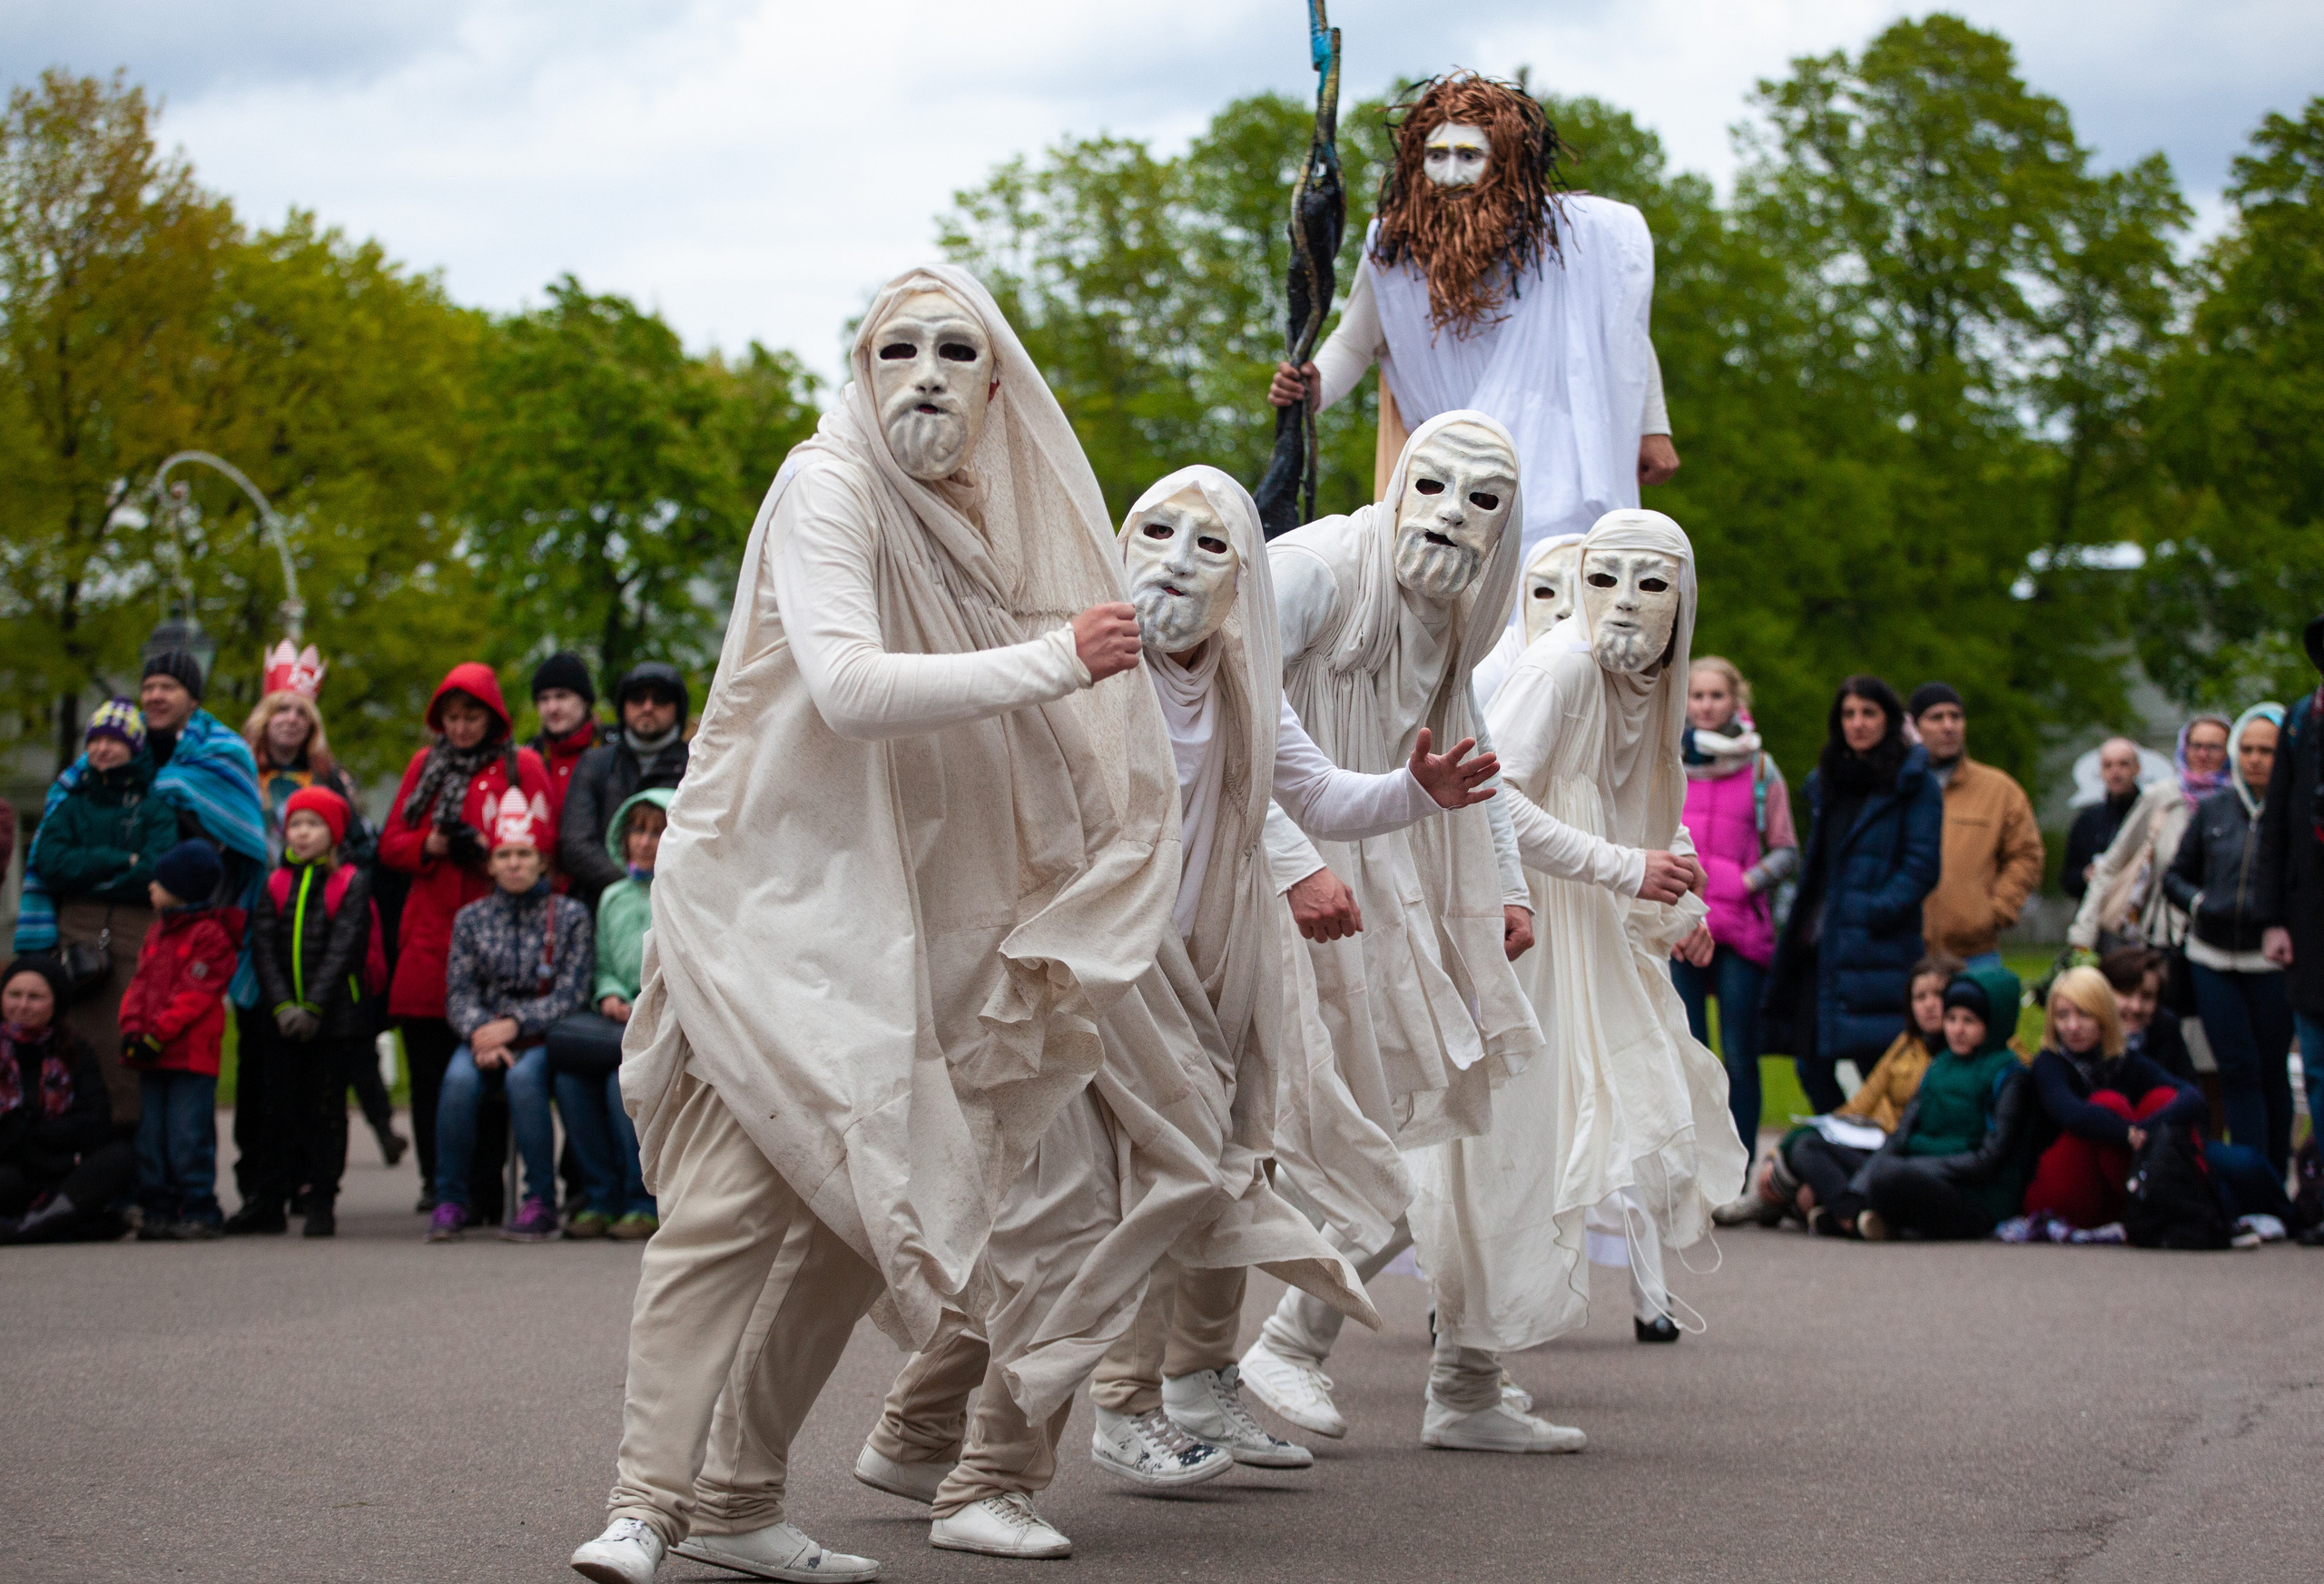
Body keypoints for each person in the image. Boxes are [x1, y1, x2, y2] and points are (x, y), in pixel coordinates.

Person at [567, 265, 1173, 1584]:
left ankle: (734, 1501)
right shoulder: (827, 484)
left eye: (958, 350)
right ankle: (642, 1502)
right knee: (729, 1207)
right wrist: (1064, 656)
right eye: (897, 349)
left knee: (856, 1220)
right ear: (861, 372)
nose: (928, 374)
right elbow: (845, 686)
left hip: (899, 925)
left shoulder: (971, 528)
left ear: (997, 381)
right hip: (774, 908)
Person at [864, 464, 1484, 1548]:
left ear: (1243, 575)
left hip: (1193, 991)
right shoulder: (1078, 662)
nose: (1175, 563)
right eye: (1155, 532)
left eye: (1209, 546)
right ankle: (985, 1481)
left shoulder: (1245, 680)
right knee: (1082, 1223)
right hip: (1081, 984)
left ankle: (916, 1430)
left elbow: (1318, 792)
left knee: (1090, 1214)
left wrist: (1409, 794)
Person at [1233, 412, 1545, 1450]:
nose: (1452, 517)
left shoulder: (1457, 606)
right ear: (1400, 480)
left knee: (1406, 1116)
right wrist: (1292, 860)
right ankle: (1193, 1375)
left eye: (1482, 499)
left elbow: (1470, 736)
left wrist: (1509, 885)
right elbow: (1205, 699)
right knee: (1231, 1139)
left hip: (1375, 876)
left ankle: (1265, 1350)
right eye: (1435, 486)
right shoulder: (1318, 569)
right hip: (1255, 874)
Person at [1403, 507, 1740, 1446]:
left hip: (1575, 942)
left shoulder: (1644, 686)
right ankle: (1288, 1338)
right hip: (1525, 938)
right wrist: (1620, 869)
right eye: (1608, 578)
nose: (1625, 603)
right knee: (1470, 1143)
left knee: (1521, 1151)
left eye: (1651, 582)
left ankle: (1465, 1382)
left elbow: (1639, 806)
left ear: (1684, 601)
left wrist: (1669, 898)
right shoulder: (1564, 668)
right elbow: (1490, 791)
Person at [1268, 72, 1677, 565]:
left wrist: (1652, 427)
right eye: (1437, 157)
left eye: (1469, 156)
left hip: (1560, 469)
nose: (1453, 173)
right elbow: (1355, 343)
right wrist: (1313, 389)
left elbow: (1621, 331)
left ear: (1505, 162)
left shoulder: (1577, 238)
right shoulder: (1395, 249)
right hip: (1455, 484)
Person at [379, 663, 555, 1215]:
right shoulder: (423, 766)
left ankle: (484, 1184)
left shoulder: (520, 764)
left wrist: (492, 851)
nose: (459, 727)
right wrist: (430, 845)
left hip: (499, 935)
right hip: (430, 936)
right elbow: (390, 843)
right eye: (451, 717)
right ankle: (439, 1183)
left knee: (491, 1060)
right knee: (430, 1069)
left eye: (470, 715)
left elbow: (544, 837)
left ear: (492, 715)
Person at [237, 649, 404, 1184]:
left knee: (319, 1067)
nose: (290, 721)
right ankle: (261, 1175)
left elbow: (359, 849)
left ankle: (308, 1175)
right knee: (258, 1058)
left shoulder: (332, 782)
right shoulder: (239, 776)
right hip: (254, 925)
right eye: (280, 711)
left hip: (317, 927)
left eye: (301, 713)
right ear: (264, 719)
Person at [1763, 677, 1945, 1115]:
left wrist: (1870, 911)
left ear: (1889, 719)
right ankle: (1839, 1144)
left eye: (1869, 713)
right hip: (1822, 945)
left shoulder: (1914, 782)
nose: (1858, 723)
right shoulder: (1828, 780)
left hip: (1879, 946)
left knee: (1880, 1063)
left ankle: (1882, 1161)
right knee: (1811, 1062)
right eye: (1848, 714)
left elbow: (1921, 867)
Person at [427, 789, 589, 1245]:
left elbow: (572, 992)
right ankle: (450, 1200)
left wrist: (515, 1024)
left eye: (523, 854)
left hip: (542, 1037)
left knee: (523, 1082)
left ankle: (540, 1201)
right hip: (482, 1034)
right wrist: (481, 1031)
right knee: (458, 1082)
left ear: (541, 861)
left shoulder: (571, 916)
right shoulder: (471, 919)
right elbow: (459, 990)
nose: (514, 863)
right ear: (490, 864)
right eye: (504, 854)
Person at [21, 700, 176, 1125]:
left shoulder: (155, 806)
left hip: (133, 934)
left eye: (114, 740)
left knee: (122, 1040)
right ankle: (78, 1133)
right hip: (77, 934)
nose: (102, 749)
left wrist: (89, 868)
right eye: (95, 741)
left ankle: (127, 1139)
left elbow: (155, 870)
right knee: (76, 1040)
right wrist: (117, 861)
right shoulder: (71, 804)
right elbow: (51, 863)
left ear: (136, 747)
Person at [1673, 654, 1797, 1182]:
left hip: (1742, 932)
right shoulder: (1664, 763)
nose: (1705, 705)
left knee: (1740, 1055)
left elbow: (1787, 851)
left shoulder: (1763, 769)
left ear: (1735, 701)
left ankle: (1740, 1172)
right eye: (1696, 695)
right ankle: (1693, 1172)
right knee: (1687, 1054)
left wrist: (1742, 882)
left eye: (1715, 695)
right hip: (1681, 928)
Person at [233, 787, 375, 1239]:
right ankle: (270, 1199)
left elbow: (344, 948)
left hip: (333, 1020)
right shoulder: (274, 883)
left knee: (325, 1110)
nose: (302, 833)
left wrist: (313, 1005)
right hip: (280, 1019)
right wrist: (281, 1005)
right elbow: (264, 946)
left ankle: (321, 1199)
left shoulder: (349, 881)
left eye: (313, 825)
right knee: (276, 1110)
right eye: (295, 824)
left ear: (332, 833)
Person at [2163, 703, 2292, 1174]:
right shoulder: (2214, 808)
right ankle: (2248, 1180)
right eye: (2247, 749)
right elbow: (2176, 875)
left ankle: (2275, 1180)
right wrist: (2200, 903)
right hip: (2211, 957)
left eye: (2268, 751)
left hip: (2271, 960)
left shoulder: (2294, 813)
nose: (2255, 759)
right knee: (2235, 1070)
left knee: (2271, 1070)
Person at [1817, 967, 2032, 1240]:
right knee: (1814, 1147)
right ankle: (1855, 1213)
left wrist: (1913, 1166)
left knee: (1890, 1176)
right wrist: (1857, 1189)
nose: (1957, 1029)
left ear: (1993, 1024)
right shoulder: (1939, 1065)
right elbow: (1901, 1135)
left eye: (1969, 1021)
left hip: (1973, 1194)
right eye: (1951, 1019)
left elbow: (1987, 1160)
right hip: (1919, 1170)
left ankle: (1864, 1218)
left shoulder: (2010, 1076)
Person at [1748, 952, 1960, 1227]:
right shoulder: (1907, 1043)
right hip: (1878, 1144)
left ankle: (1839, 1215)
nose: (1930, 1005)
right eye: (1920, 997)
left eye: (1938, 995)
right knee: (1805, 1148)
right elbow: (1859, 1105)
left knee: (1808, 1191)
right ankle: (1839, 1213)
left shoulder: (1962, 1054)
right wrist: (1778, 1152)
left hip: (1907, 1157)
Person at [554, 788, 669, 1241]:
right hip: (617, 1022)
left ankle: (640, 1199)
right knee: (570, 1079)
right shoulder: (612, 897)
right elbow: (604, 963)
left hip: (660, 1023)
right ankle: (599, 1197)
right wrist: (608, 994)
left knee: (616, 1080)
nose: (645, 841)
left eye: (658, 832)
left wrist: (643, 1002)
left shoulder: (681, 893)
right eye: (638, 830)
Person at [2021, 966, 2207, 1229]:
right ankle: (2153, 1203)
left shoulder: (2124, 1061)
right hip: (2060, 1191)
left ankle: (2174, 1200)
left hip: (2110, 1190)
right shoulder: (2048, 1063)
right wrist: (2127, 1133)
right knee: (2110, 1103)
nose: (2072, 1026)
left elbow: (2191, 1097)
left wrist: (2146, 1130)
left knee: (2162, 1097)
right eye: (2063, 1016)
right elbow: (2072, 1113)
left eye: (2083, 1014)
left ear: (2103, 1015)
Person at [119, 839, 241, 1239]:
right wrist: (132, 1028)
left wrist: (157, 1033)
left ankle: (199, 1205)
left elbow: (195, 994)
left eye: (159, 881)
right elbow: (139, 985)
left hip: (189, 1054)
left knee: (188, 1133)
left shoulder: (210, 936)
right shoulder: (157, 933)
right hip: (151, 1051)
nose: (150, 888)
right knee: (151, 1132)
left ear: (181, 888)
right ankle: (158, 1205)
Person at [2256, 615, 2324, 1224]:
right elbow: (2275, 822)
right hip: (2308, 920)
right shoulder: (2302, 721)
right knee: (2319, 1063)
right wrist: (2272, 917)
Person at [2069, 713, 2233, 959]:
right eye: (2195, 746)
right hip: (2166, 937)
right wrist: (2083, 933)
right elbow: (2111, 865)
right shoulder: (2162, 797)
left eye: (2213, 747)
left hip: (2226, 936)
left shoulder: (2241, 802)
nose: (2203, 754)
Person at [0, 958, 137, 1244]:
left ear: (55, 1004)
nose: (22, 1005)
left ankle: (31, 1227)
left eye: (34, 997)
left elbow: (94, 1124)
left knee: (119, 1156)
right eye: (14, 995)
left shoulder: (75, 1052)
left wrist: (28, 1135)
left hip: (60, 1172)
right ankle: (63, 1225)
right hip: (13, 1170)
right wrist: (45, 1141)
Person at [1907, 684, 2043, 969]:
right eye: (1936, 717)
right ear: (1914, 727)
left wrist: (1995, 912)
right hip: (1905, 951)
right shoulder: (1897, 788)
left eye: (1956, 717)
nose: (1949, 726)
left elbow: (2026, 854)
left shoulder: (1999, 790)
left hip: (1975, 953)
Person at [560, 664, 690, 911]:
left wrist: (658, 889)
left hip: (677, 907)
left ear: (678, 708)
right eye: (637, 698)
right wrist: (632, 887)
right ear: (623, 706)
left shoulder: (697, 766)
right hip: (603, 907)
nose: (647, 707)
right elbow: (576, 845)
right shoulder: (594, 763)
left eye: (660, 699)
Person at [527, 652, 605, 835]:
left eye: (561, 696)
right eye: (544, 699)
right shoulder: (529, 756)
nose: (552, 708)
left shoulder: (612, 749)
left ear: (585, 700)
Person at [2063, 737, 2145, 903]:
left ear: (2137, 768)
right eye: (2108, 765)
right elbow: (2068, 879)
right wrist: (2087, 875)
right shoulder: (2088, 820)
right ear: (2100, 771)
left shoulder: (2150, 814)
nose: (2115, 772)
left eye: (2123, 764)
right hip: (2099, 913)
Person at [2100, 947, 2195, 1085]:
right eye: (2127, 993)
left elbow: (2191, 1091)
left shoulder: (2165, 1026)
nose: (2136, 1007)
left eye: (2147, 996)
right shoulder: (2081, 1031)